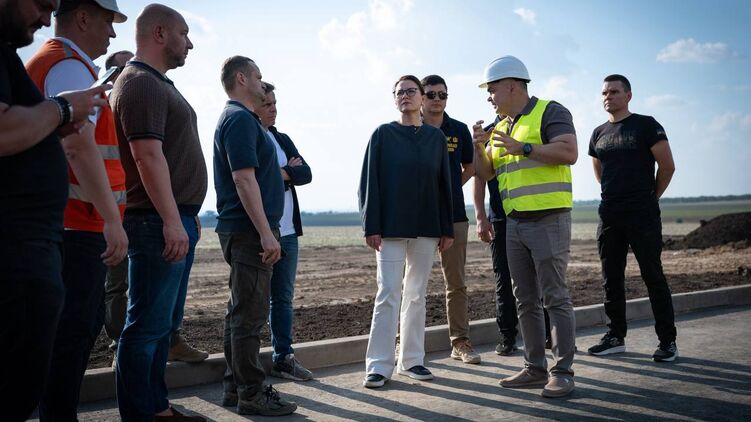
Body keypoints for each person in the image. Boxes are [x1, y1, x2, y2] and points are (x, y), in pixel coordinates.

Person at [0, 1, 110, 420]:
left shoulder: (20, 58)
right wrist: (62, 109)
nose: (47, 19)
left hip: (45, 237)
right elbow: (78, 147)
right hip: (52, 236)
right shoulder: (66, 65)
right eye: (42, 4)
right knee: (59, 346)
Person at [25, 0, 129, 419]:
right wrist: (111, 220)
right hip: (78, 224)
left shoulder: (59, 63)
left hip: (71, 223)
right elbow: (78, 146)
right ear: (84, 18)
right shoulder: (68, 66)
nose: (112, 33)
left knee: (69, 333)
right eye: (108, 21)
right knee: (71, 335)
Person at [109, 4, 207, 421]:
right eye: (184, 34)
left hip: (170, 217)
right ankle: (141, 414)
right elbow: (146, 156)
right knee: (146, 327)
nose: (190, 43)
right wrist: (170, 218)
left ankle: (157, 407)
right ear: (160, 33)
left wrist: (184, 212)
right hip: (155, 221)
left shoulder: (155, 82)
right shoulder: (141, 84)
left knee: (159, 326)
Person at [473, 55, 578, 398]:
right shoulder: (499, 127)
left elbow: (569, 152)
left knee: (555, 297)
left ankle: (562, 372)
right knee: (525, 299)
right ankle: (535, 368)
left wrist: (525, 148)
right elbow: (487, 173)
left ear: (512, 86)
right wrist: (479, 148)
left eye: (492, 89)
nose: (489, 96)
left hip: (549, 219)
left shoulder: (550, 111)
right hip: (515, 223)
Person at [214, 56, 297, 416]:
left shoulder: (241, 119)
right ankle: (251, 393)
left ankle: (236, 387)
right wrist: (266, 233)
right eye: (259, 77)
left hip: (246, 230)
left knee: (240, 312)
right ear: (242, 78)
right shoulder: (239, 119)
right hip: (249, 232)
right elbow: (243, 179)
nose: (263, 84)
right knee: (249, 316)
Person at [359, 75, 454, 388]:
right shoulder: (382, 135)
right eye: (399, 92)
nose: (405, 96)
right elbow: (369, 182)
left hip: (427, 227)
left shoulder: (436, 138)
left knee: (416, 294)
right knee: (388, 293)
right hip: (390, 228)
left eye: (411, 91)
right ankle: (378, 366)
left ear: (422, 98)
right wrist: (371, 226)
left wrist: (446, 228)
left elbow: (444, 185)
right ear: (394, 99)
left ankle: (412, 361)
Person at [587, 74, 678, 362]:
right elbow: (599, 172)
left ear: (628, 95)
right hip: (610, 214)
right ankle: (615, 337)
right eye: (605, 93)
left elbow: (667, 167)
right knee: (611, 278)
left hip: (642, 213)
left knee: (653, 275)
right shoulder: (598, 133)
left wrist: (651, 198)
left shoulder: (647, 125)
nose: (608, 97)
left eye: (614, 92)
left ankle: (667, 341)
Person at [254, 82, 314, 381]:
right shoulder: (250, 135)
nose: (274, 109)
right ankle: (245, 366)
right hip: (262, 231)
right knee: (253, 300)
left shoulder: (281, 138)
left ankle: (283, 358)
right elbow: (255, 178)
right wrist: (286, 172)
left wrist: (283, 172)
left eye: (275, 103)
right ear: (253, 105)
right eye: (267, 104)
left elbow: (306, 173)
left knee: (283, 299)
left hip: (288, 232)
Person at [420, 74, 480, 365]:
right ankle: (405, 344)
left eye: (442, 95)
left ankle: (460, 343)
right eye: (431, 94)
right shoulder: (410, 128)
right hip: (417, 217)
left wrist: (451, 187)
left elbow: (471, 166)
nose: (437, 100)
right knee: (412, 285)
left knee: (456, 284)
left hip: (454, 215)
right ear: (421, 97)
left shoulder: (458, 129)